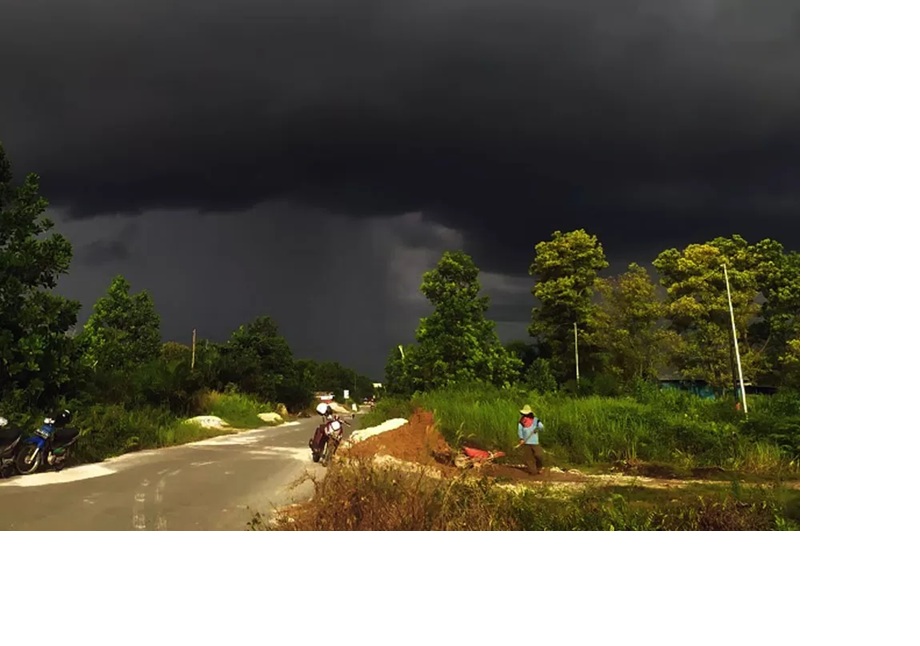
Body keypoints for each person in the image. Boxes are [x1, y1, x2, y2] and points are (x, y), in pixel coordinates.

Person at [517, 405, 545, 475]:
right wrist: (521, 438)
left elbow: (542, 427)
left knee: (539, 455)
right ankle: (533, 471)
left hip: (535, 442)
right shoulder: (521, 421)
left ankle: (539, 467)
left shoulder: (535, 420)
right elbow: (520, 430)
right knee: (528, 458)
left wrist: (537, 428)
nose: (525, 416)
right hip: (526, 442)